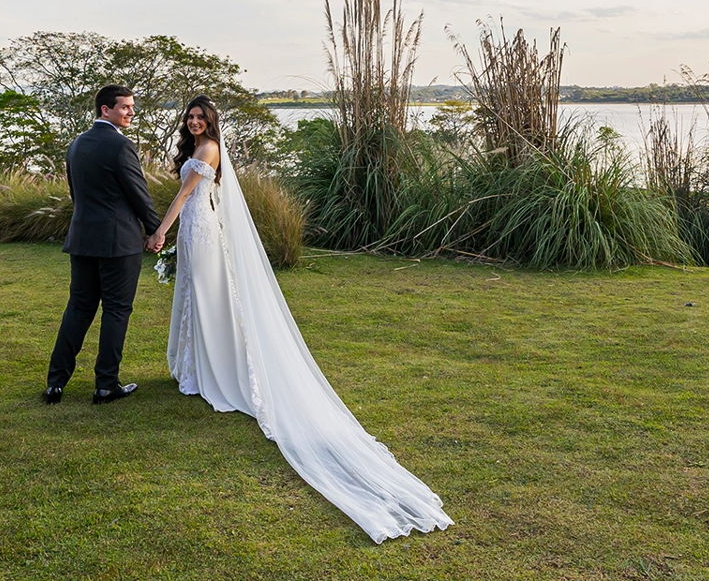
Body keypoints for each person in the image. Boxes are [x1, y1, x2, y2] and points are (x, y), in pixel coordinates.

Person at [158, 95, 451, 543]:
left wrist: (161, 230)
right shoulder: (195, 148)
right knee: (197, 299)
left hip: (199, 229)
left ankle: (215, 369)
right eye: (190, 117)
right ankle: (198, 367)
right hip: (197, 228)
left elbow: (185, 194)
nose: (194, 121)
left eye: (201, 117)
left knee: (206, 298)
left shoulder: (210, 149)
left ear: (210, 122)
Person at [43, 84, 164, 405]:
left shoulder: (76, 144)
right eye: (125, 107)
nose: (131, 112)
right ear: (105, 109)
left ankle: (55, 383)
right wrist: (156, 230)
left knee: (78, 308)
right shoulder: (121, 146)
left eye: (131, 106)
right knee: (116, 310)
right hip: (118, 242)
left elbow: (76, 193)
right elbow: (138, 193)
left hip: (82, 239)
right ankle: (106, 385)